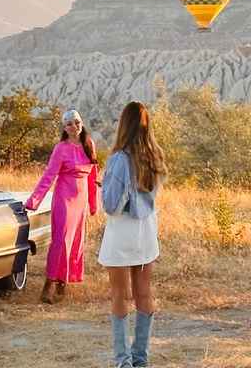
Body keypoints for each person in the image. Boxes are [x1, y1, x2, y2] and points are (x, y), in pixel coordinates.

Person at [99, 101, 166, 368]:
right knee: (143, 293)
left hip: (122, 231)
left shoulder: (119, 159)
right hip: (147, 231)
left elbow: (112, 205)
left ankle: (122, 362)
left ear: (123, 125)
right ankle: (141, 359)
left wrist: (104, 187)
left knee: (119, 295)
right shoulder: (154, 155)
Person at [25, 108, 99, 304]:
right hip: (64, 199)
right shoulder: (61, 148)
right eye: (69, 124)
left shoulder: (89, 144)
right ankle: (49, 284)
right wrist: (34, 201)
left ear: (81, 123)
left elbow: (93, 176)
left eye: (76, 122)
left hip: (81, 200)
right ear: (64, 128)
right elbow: (49, 176)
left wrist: (93, 203)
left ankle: (63, 283)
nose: (74, 126)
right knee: (60, 241)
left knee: (75, 241)